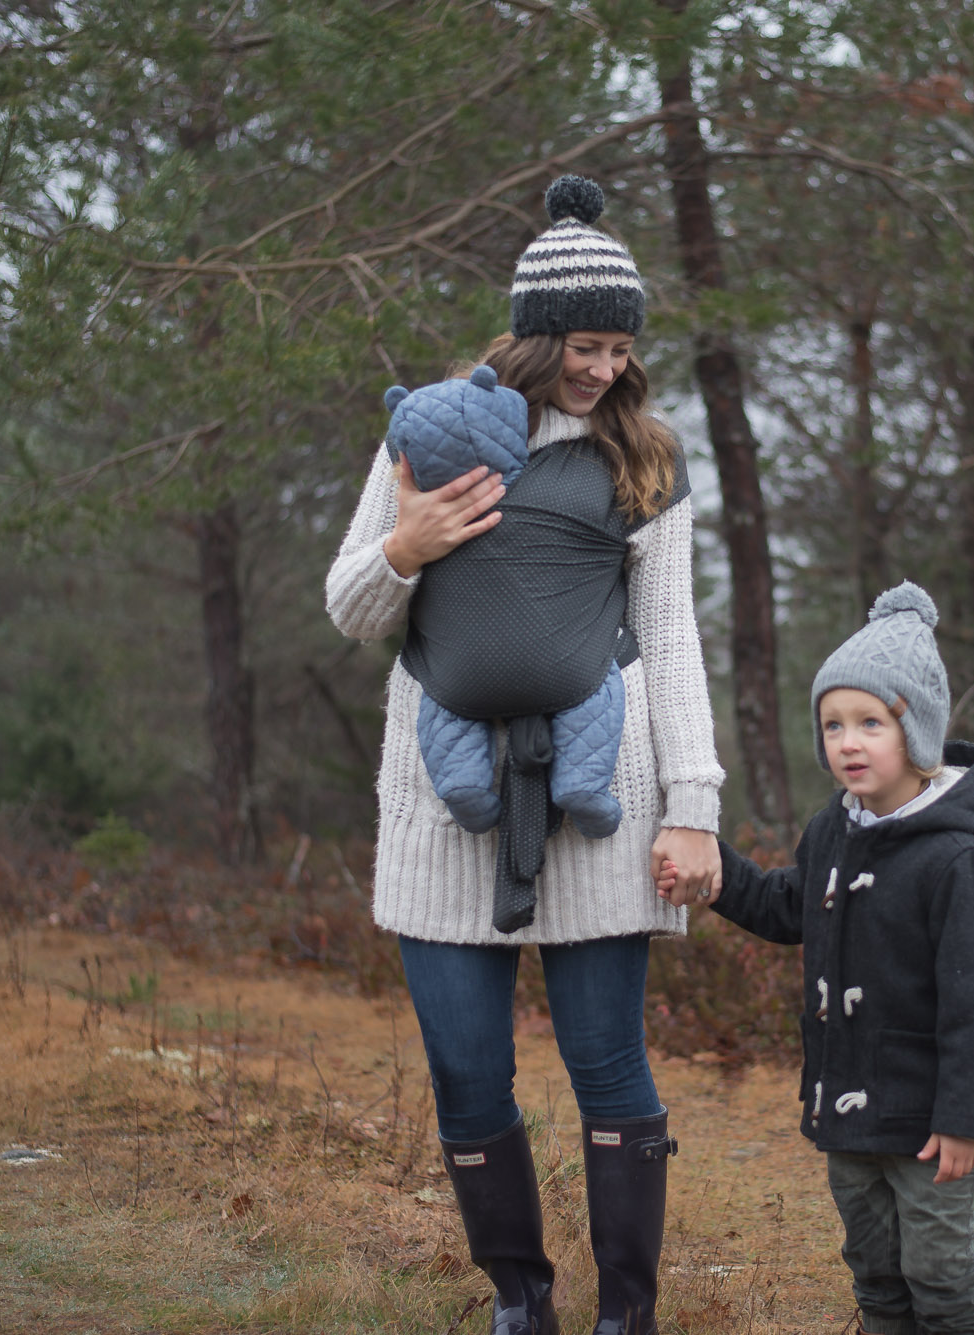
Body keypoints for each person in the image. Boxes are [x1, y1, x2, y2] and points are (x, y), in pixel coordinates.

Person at [325, 174, 724, 1335]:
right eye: (584, 344)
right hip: (443, 807)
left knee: (608, 1065)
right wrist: (408, 542)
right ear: (534, 335)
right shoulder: (428, 436)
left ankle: (627, 1316)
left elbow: (668, 637)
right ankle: (520, 1302)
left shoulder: (642, 456)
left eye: (619, 347)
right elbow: (352, 612)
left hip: (601, 796)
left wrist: (690, 801)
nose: (602, 368)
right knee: (464, 1071)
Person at [662, 582, 974, 1335]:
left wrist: (965, 1120)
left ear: (915, 731)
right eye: (832, 724)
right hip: (846, 1105)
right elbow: (791, 905)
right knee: (877, 1269)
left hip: (928, 1121)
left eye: (870, 722)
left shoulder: (956, 858)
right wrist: (714, 867)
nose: (847, 741)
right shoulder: (835, 831)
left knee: (939, 1275)